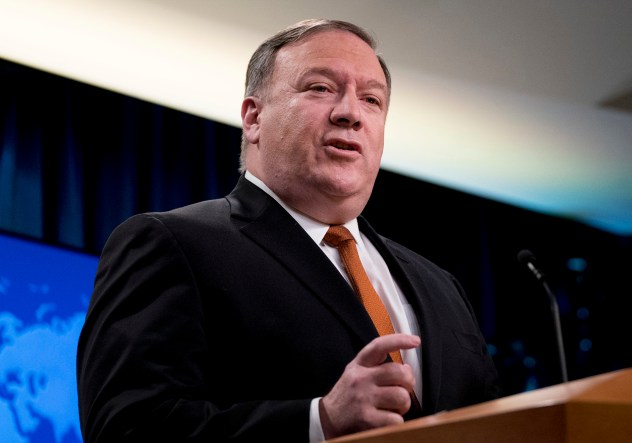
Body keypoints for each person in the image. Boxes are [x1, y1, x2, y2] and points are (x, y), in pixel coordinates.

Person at [76, 18, 499, 442]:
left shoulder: (440, 285)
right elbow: (127, 428)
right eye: (320, 88)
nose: (350, 113)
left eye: (371, 99)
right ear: (254, 117)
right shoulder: (172, 244)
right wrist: (320, 421)